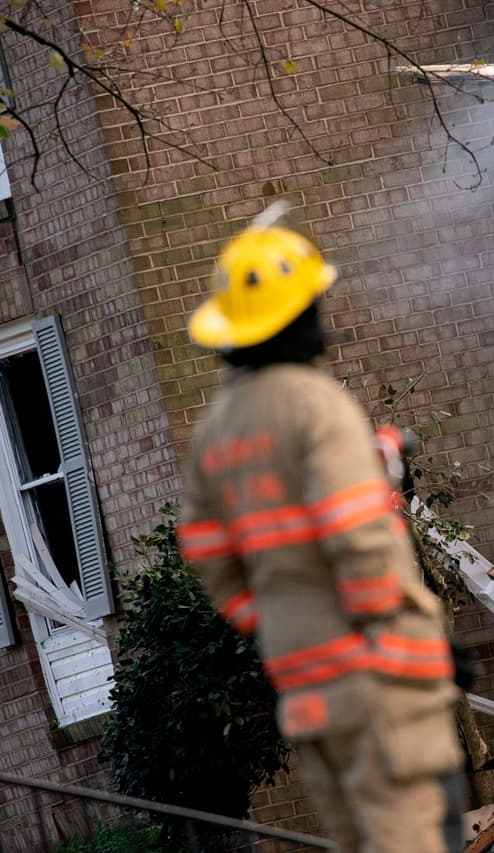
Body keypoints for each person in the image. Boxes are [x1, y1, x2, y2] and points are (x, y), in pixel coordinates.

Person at [176, 206, 465, 852]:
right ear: (297, 314)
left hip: (304, 686)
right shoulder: (316, 404)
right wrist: (389, 636)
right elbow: (355, 533)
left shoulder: (216, 428)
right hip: (375, 684)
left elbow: (206, 547)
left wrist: (276, 617)